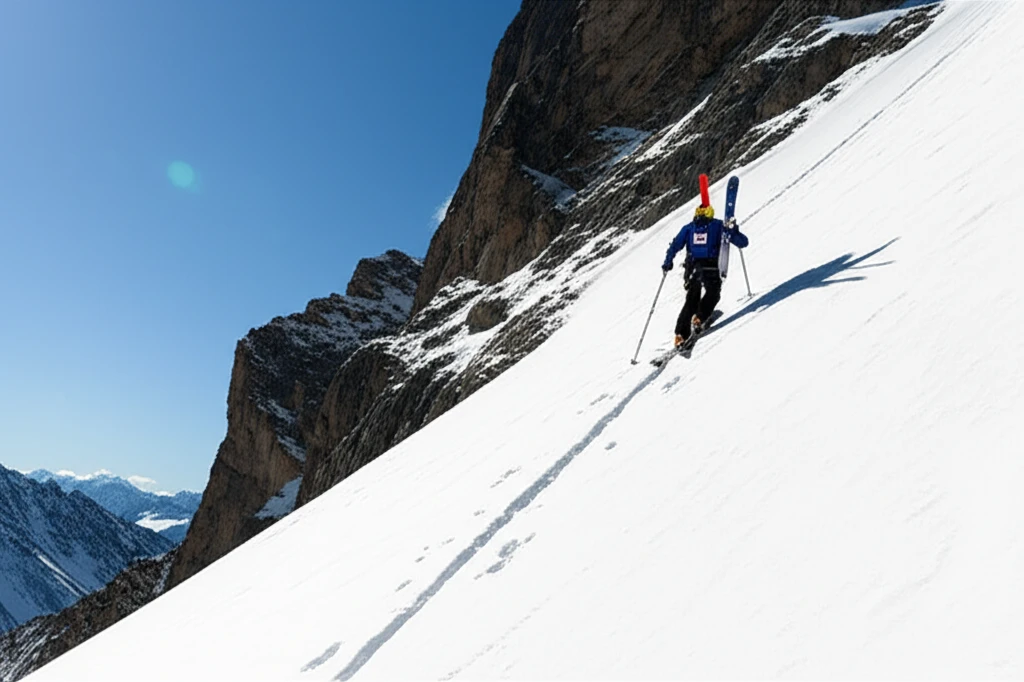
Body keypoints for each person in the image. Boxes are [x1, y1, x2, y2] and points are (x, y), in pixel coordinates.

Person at [661, 202, 749, 347]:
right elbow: (743, 242)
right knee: (713, 293)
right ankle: (699, 318)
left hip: (692, 268)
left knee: (691, 300)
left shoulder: (689, 228)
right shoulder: (718, 225)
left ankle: (680, 335)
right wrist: (734, 230)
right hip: (711, 268)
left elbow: (675, 245)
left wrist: (667, 262)